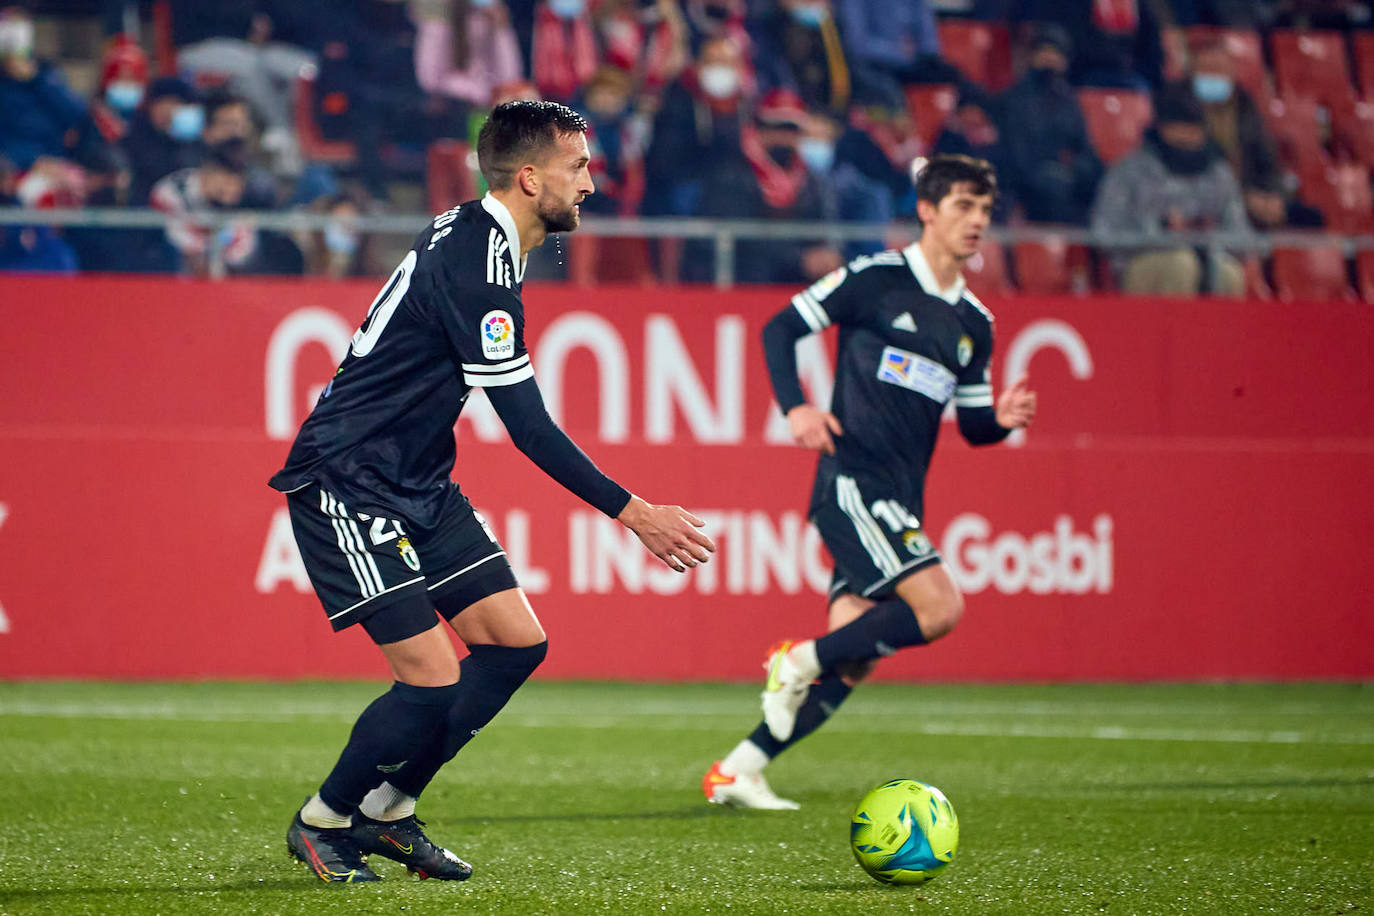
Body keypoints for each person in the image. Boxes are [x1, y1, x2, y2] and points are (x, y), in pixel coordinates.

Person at [270, 100, 714, 882]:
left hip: (418, 477)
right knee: (432, 677)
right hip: (351, 477)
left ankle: (388, 812)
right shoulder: (479, 262)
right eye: (578, 167)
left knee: (514, 645)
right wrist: (635, 512)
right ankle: (325, 820)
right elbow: (529, 428)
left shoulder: (481, 238)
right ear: (531, 175)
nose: (590, 182)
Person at [701, 154, 1037, 809]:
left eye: (985, 210)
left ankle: (738, 770)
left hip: (901, 495)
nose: (977, 221)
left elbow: (972, 427)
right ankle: (793, 661)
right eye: (963, 206)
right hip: (853, 483)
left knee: (852, 655)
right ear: (927, 210)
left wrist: (1000, 421)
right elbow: (782, 327)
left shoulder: (976, 324)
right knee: (940, 608)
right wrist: (795, 407)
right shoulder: (877, 279)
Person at [1091, 83, 1252, 296]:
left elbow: (1243, 239)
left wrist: (1207, 234)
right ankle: (1171, 330)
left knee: (1227, 273)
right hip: (1142, 263)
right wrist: (1161, 230)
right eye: (1180, 128)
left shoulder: (1218, 175)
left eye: (1193, 129)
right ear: (1163, 128)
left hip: (1207, 258)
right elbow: (1103, 234)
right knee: (1181, 264)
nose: (1187, 137)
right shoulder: (1130, 170)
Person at [994, 24, 1103, 224]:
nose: (1050, 58)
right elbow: (1015, 155)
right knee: (1051, 188)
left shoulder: (1069, 101)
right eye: (1044, 51)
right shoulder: (1013, 99)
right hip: (1025, 182)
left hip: (1063, 178)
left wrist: (1075, 171)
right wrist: (1050, 172)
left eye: (1056, 53)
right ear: (1032, 56)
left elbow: (1085, 149)